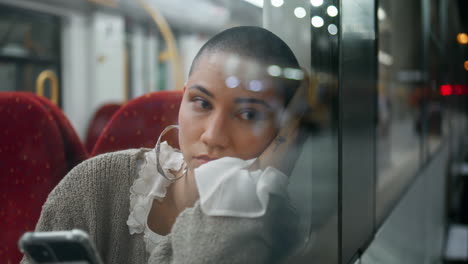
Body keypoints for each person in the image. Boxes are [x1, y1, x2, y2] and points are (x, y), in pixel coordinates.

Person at [21, 26, 308, 264]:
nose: (212, 135)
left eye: (248, 115)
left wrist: (247, 191)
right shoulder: (92, 186)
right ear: (182, 101)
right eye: (202, 103)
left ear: (283, 130)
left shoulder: (280, 232)